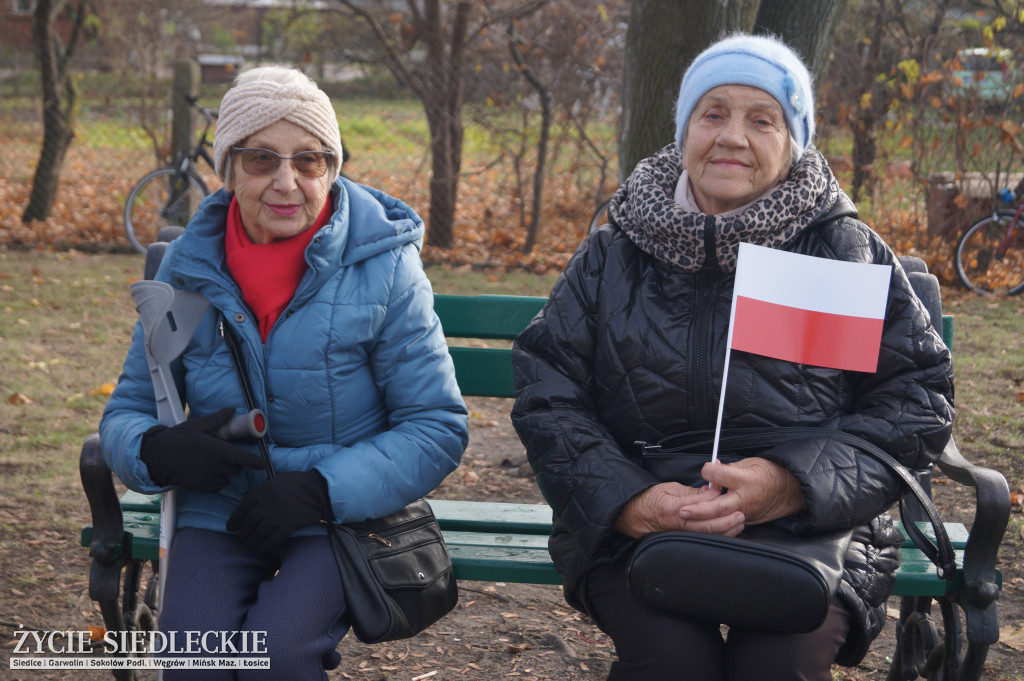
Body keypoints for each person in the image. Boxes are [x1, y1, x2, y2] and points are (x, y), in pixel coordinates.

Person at [510, 34, 954, 681]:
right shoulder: (613, 251)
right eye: (713, 113)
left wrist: (790, 484)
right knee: (672, 660)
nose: (732, 137)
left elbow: (917, 402)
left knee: (776, 661)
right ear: (685, 128)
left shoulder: (841, 247)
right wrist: (632, 501)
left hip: (812, 525)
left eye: (761, 119)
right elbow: (548, 390)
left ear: (793, 139)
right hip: (638, 517)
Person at [100, 65, 468, 680]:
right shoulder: (185, 270)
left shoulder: (384, 268)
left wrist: (322, 488)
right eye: (261, 158)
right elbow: (125, 412)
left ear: (333, 167)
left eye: (310, 160)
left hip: (340, 513)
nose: (287, 182)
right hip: (219, 508)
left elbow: (436, 426)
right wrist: (158, 452)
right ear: (227, 168)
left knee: (276, 655)